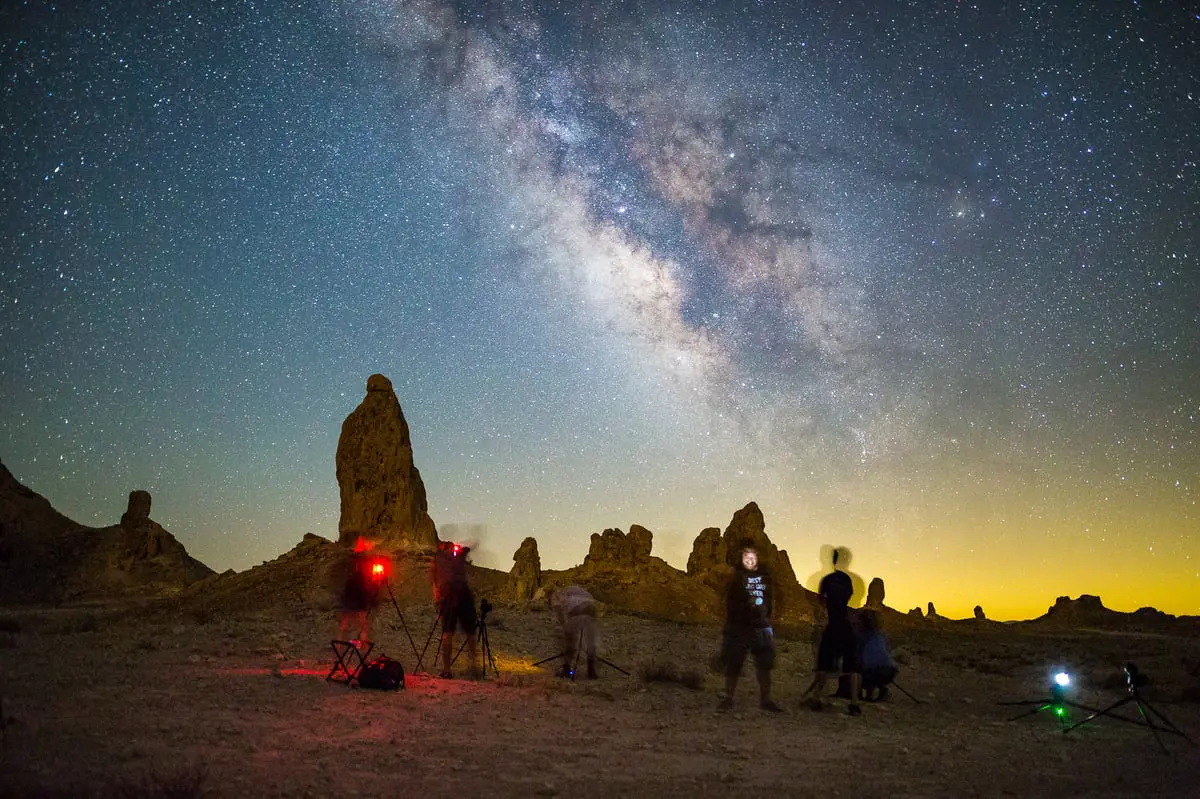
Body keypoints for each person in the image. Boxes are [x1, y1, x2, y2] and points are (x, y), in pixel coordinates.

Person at [718, 544, 782, 712]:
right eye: (747, 557)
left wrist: (769, 618)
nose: (750, 560)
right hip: (739, 626)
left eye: (753, 557)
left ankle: (766, 699)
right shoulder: (736, 576)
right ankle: (728, 697)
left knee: (764, 663)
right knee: (734, 663)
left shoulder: (766, 576)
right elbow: (727, 600)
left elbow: (771, 599)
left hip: (761, 625)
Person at [808, 547, 862, 715]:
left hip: (833, 625)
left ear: (832, 561)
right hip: (846, 626)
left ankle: (816, 699)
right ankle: (854, 704)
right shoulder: (848, 580)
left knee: (823, 663)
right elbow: (849, 599)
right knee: (853, 667)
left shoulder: (827, 580)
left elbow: (821, 601)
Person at [430, 541, 479, 679]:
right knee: (470, 632)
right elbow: (469, 548)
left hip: (448, 595)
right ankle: (473, 667)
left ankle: (447, 670)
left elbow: (433, 580)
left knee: (448, 632)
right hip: (463, 594)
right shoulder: (458, 555)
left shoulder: (437, 558)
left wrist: (437, 598)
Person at [337, 538, 381, 646]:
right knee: (363, 624)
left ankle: (338, 649)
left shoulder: (354, 560)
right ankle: (364, 651)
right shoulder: (365, 561)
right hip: (358, 591)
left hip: (350, 591)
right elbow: (369, 579)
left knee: (344, 624)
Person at [548, 584, 599, 679]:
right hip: (592, 609)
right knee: (590, 641)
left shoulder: (556, 595)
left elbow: (559, 612)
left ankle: (566, 669)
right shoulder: (575, 589)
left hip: (577, 610)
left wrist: (565, 628)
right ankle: (591, 671)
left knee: (569, 639)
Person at [859, 609, 898, 701]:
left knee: (861, 672)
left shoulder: (863, 637)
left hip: (876, 670)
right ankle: (882, 690)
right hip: (890, 670)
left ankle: (869, 695)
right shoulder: (880, 635)